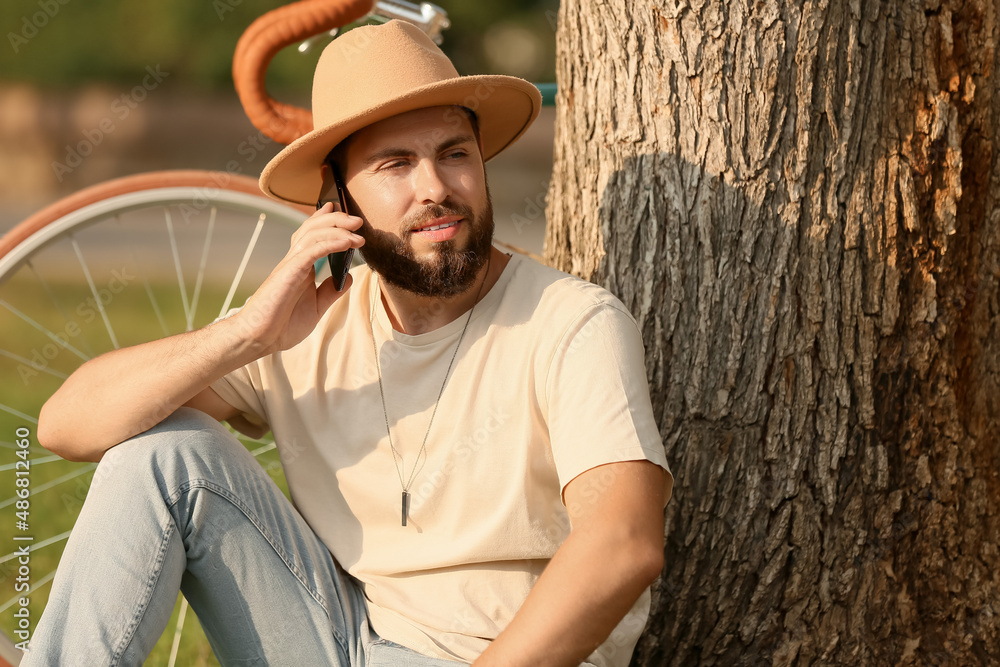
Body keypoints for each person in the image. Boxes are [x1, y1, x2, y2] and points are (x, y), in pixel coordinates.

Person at [26, 19, 673, 667]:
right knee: (164, 454)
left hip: (491, 657)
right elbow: (67, 424)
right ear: (337, 201)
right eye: (395, 165)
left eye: (454, 153)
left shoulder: (573, 321)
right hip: (334, 638)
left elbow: (623, 542)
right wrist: (247, 332)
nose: (435, 188)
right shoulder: (310, 325)